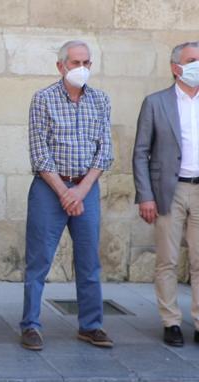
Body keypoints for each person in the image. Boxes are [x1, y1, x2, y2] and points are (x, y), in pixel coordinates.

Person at [20, 40, 114, 351]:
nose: (82, 68)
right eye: (75, 63)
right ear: (61, 66)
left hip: (85, 188)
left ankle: (91, 325)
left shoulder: (100, 100)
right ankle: (31, 325)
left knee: (89, 261)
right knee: (39, 260)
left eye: (87, 62)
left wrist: (82, 190)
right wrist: (64, 192)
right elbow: (39, 152)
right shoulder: (43, 99)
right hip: (50, 189)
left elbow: (105, 151)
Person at [133, 41, 199, 347]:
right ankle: (171, 321)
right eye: (193, 60)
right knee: (168, 260)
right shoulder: (156, 103)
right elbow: (141, 152)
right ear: (176, 67)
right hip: (167, 191)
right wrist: (145, 195)